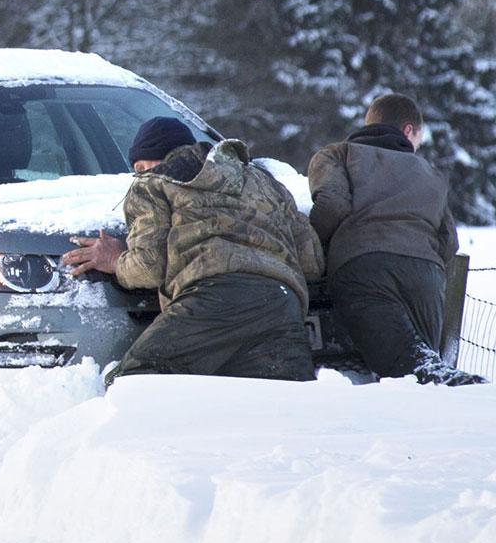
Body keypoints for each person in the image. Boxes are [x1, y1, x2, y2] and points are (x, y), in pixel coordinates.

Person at [65, 116, 324, 380]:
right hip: (284, 305)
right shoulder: (266, 183)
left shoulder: (154, 183)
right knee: (282, 406)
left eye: (142, 165)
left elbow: (148, 268)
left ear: (159, 158)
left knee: (135, 382)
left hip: (213, 299)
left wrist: (115, 259)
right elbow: (312, 262)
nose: (140, 172)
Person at [308, 92, 459, 379]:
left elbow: (332, 204)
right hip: (426, 276)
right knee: (422, 373)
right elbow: (449, 240)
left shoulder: (338, 154)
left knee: (412, 374)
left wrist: (314, 250)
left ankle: (469, 396)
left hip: (362, 268)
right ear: (407, 130)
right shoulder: (430, 172)